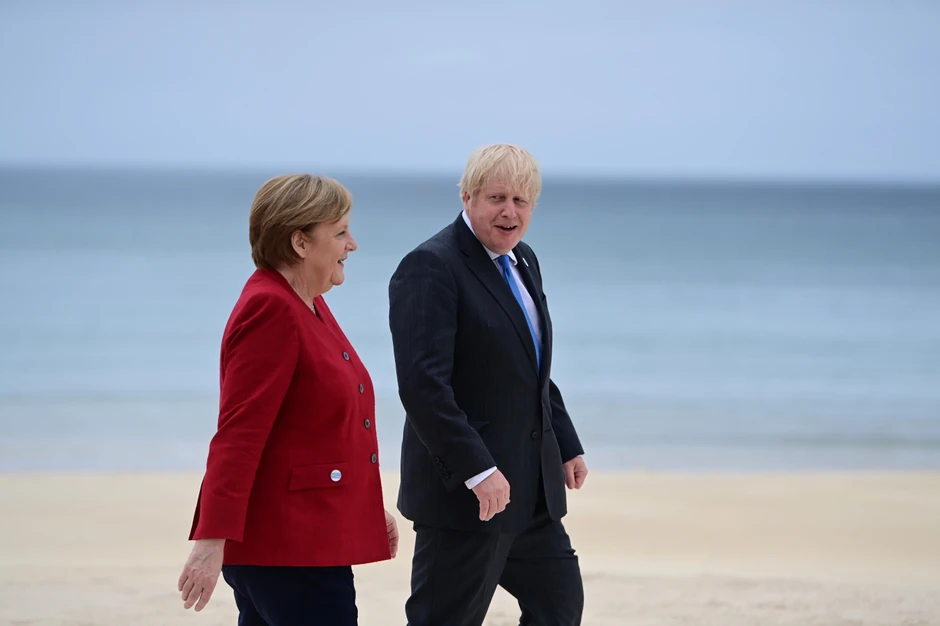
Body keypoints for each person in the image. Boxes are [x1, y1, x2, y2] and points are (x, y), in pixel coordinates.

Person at [177, 174, 399, 625]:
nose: (352, 244)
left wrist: (364, 506)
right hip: (288, 549)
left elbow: (315, 430)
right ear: (300, 242)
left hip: (307, 538)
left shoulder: (307, 301)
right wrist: (210, 540)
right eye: (340, 232)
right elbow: (239, 434)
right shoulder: (271, 308)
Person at [388, 144, 588, 626]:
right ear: (468, 197)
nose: (509, 212)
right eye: (497, 198)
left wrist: (565, 443)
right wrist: (477, 471)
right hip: (466, 498)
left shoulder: (524, 260)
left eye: (521, 201)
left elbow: (530, 366)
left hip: (530, 491)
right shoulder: (430, 266)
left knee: (559, 609)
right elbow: (422, 387)